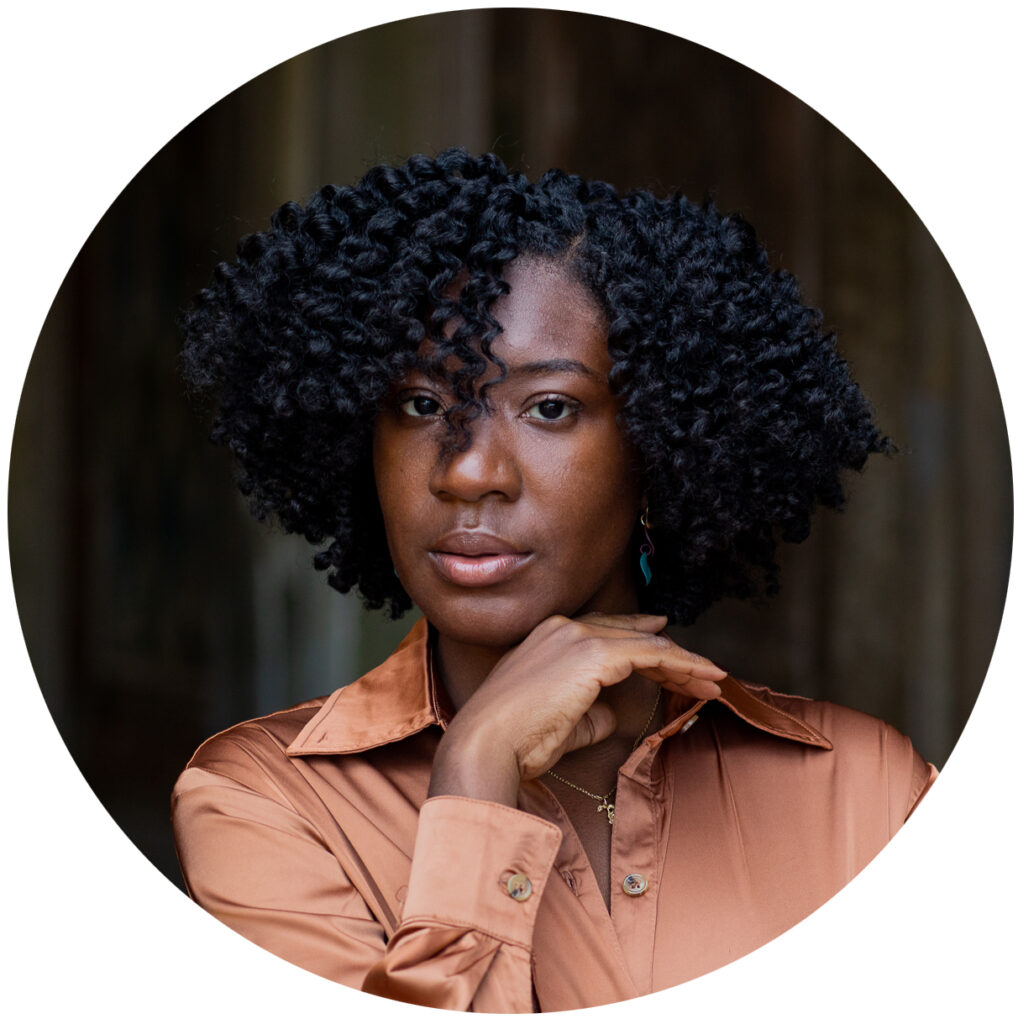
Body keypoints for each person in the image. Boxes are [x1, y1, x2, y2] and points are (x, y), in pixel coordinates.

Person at [173, 149, 935, 1012]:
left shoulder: (867, 793)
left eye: (550, 408)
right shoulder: (264, 803)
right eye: (421, 405)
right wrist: (477, 771)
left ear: (660, 445)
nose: (467, 472)